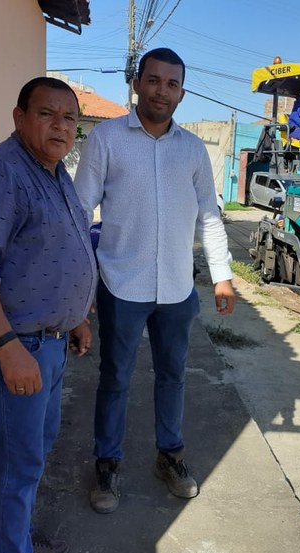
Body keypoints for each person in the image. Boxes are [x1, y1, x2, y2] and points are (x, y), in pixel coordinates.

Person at [74, 47, 236, 514]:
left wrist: (222, 275)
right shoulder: (106, 139)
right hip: (120, 283)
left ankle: (170, 455)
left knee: (173, 375)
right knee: (115, 377)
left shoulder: (192, 150)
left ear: (182, 93)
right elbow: (81, 212)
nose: (161, 90)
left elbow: (208, 214)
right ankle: (107, 463)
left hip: (177, 288)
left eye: (171, 84)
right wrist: (81, 288)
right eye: (153, 80)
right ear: (137, 84)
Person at [0, 77, 97, 553]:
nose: (61, 126)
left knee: (32, 452)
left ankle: (15, 540)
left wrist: (75, 319)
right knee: (16, 463)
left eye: (69, 118)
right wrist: (9, 348)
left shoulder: (55, 172)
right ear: (19, 117)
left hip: (49, 343)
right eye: (47, 114)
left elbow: (53, 251)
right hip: (18, 344)